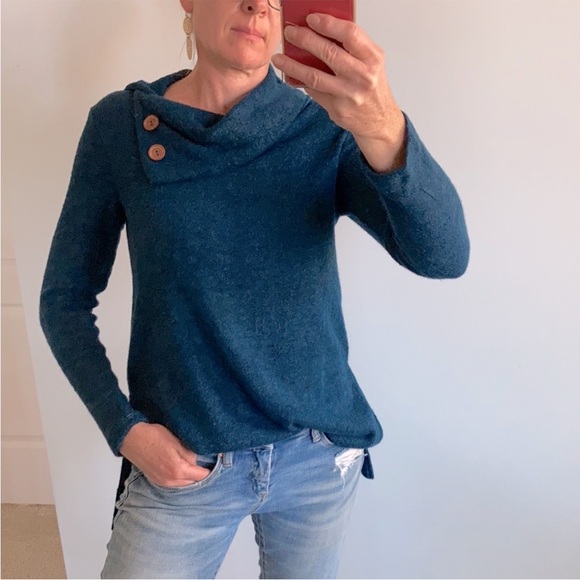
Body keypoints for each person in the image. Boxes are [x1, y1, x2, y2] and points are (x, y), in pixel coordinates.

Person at [39, 0, 469, 578]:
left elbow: (444, 257)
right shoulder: (121, 125)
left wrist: (383, 124)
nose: (259, 5)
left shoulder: (325, 125)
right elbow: (64, 299)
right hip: (185, 458)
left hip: (316, 455)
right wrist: (125, 429)